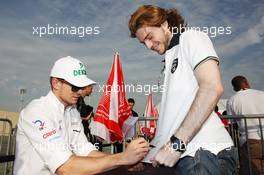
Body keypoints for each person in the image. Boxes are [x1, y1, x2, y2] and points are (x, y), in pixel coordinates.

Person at [128, 5, 237, 174]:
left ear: (164, 24)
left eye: (149, 37)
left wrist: (177, 144)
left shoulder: (191, 38)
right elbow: (172, 118)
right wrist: (146, 158)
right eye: (143, 43)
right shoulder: (170, 58)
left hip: (202, 153)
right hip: (180, 155)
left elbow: (211, 87)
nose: (148, 46)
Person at [14, 56, 149, 175]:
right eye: (74, 86)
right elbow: (65, 168)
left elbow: (85, 150)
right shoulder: (37, 111)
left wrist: (122, 163)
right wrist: (122, 159)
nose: (80, 92)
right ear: (56, 83)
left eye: (81, 86)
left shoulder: (72, 111)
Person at [226, 75, 264, 175]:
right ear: (246, 82)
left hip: (250, 140)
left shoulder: (232, 100)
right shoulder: (262, 94)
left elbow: (233, 125)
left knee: (252, 170)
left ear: (234, 88)